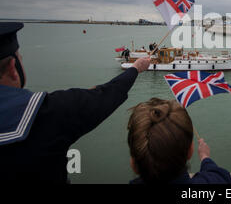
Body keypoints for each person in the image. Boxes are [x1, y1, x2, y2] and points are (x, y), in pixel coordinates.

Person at [0, 22, 152, 183]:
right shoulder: (50, 111)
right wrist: (135, 68)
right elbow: (105, 95)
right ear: (12, 68)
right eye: (21, 58)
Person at [127, 98, 231, 184]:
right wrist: (205, 157)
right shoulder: (218, 179)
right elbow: (217, 175)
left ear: (133, 164)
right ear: (190, 151)